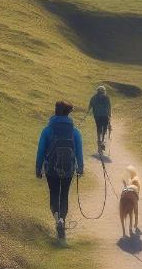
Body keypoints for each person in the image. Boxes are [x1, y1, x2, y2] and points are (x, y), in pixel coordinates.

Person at [35, 100, 84, 240]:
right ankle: (63, 219)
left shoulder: (47, 130)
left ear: (55, 112)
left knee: (54, 193)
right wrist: (80, 168)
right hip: (69, 169)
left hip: (52, 169)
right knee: (64, 195)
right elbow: (79, 152)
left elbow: (41, 151)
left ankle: (57, 219)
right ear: (68, 113)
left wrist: (38, 168)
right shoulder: (75, 132)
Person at [87, 85, 111, 151]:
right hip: (104, 115)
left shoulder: (94, 97)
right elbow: (109, 107)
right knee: (104, 128)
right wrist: (109, 115)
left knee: (99, 128)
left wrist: (88, 110)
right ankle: (102, 141)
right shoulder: (106, 97)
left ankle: (99, 140)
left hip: (97, 116)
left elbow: (90, 105)